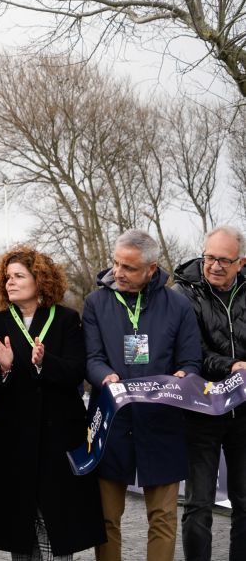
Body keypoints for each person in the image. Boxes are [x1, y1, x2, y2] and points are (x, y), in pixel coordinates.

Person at [0, 246, 105, 559]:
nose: (10, 282)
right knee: (19, 522)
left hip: (57, 436)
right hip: (13, 437)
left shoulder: (66, 319)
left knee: (56, 520)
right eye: (7, 277)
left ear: (40, 281)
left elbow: (77, 371)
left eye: (19, 276)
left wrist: (45, 363)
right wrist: (4, 368)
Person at [83, 229, 202, 561]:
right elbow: (91, 358)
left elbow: (192, 361)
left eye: (129, 268)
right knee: (106, 519)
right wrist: (104, 376)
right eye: (116, 263)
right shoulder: (95, 302)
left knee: (163, 518)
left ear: (151, 269)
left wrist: (183, 377)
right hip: (112, 421)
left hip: (162, 422)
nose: (118, 273)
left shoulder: (178, 304)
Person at [172, 225, 246, 561]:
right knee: (198, 504)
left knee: (244, 502)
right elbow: (190, 351)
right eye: (209, 258)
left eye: (224, 260)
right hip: (201, 411)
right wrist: (232, 366)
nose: (215, 265)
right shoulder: (183, 293)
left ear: (240, 262)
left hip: (243, 414)